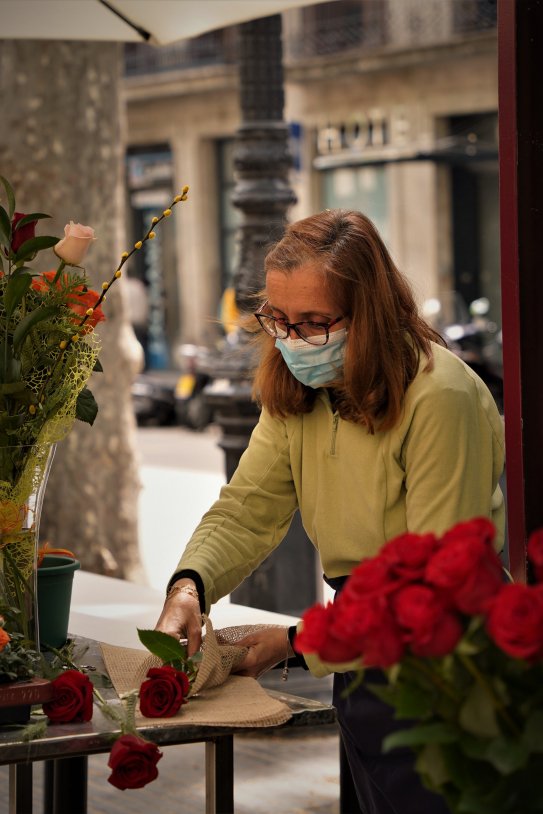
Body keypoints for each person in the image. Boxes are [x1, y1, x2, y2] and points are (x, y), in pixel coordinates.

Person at [155, 210, 505, 814]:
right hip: (359, 650)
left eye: (315, 323)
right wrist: (190, 587)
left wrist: (292, 642)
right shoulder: (302, 391)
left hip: (447, 665)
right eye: (280, 320)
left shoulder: (440, 397)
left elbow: (435, 584)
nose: (293, 340)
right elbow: (245, 509)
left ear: (369, 313)